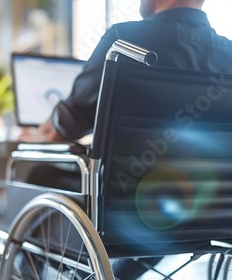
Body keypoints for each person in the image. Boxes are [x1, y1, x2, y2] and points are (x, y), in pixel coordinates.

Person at [18, 0, 232, 279]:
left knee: (37, 169)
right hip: (208, 212)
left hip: (123, 212)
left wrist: (30, 137)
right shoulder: (228, 54)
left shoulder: (123, 41)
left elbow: (65, 125)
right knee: (160, 196)